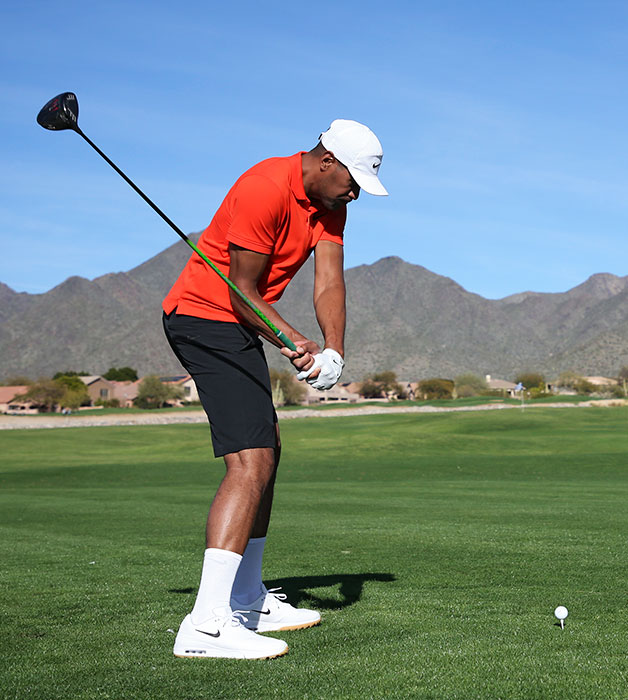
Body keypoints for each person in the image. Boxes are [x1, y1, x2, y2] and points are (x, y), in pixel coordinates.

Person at [162, 119, 387, 659]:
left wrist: (332, 349)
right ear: (326, 160)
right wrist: (293, 340)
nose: (354, 191)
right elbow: (241, 293)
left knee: (268, 452)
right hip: (202, 316)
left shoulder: (332, 207)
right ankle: (207, 625)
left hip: (237, 322)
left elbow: (329, 279)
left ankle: (247, 597)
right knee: (250, 460)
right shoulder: (265, 184)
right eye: (352, 179)